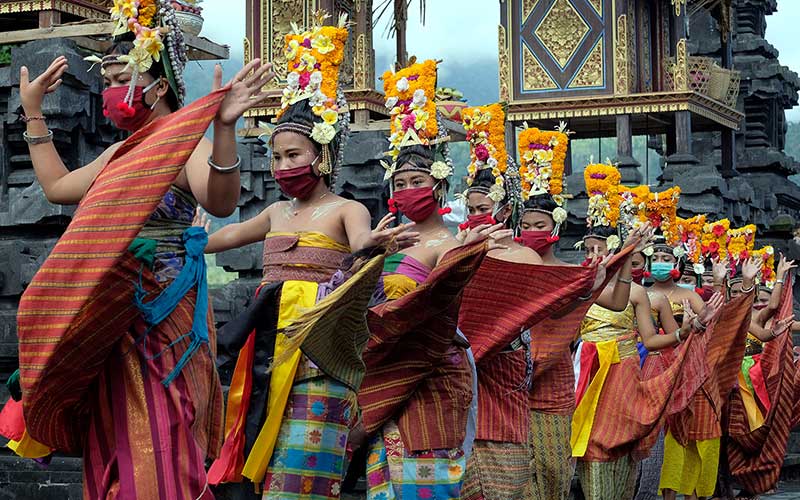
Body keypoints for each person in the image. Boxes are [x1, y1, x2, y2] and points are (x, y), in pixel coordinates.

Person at [13, 1, 274, 497]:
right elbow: (59, 188)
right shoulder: (123, 150)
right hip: (110, 307)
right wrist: (32, 112)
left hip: (163, 310)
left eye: (120, 77)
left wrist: (222, 129)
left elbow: (219, 202)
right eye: (107, 77)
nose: (111, 91)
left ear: (160, 86)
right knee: (113, 427)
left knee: (165, 423)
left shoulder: (186, 143)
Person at [203, 15, 416, 499]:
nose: (283, 167)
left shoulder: (346, 209)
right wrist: (189, 241)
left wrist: (375, 246)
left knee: (305, 462)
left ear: (321, 156)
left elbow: (362, 242)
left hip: (319, 343)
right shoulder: (277, 210)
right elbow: (232, 231)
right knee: (256, 440)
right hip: (267, 341)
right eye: (277, 158)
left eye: (294, 156)